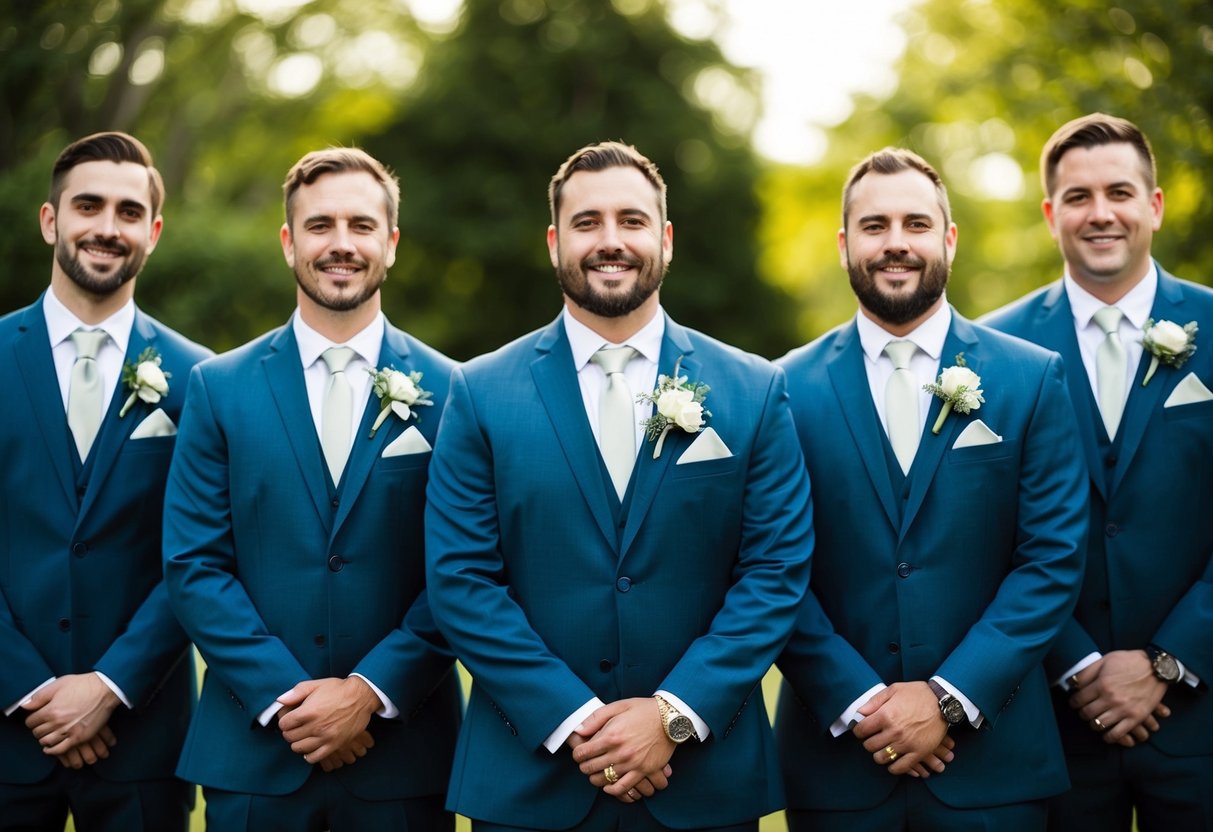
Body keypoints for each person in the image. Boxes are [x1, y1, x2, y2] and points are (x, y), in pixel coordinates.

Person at [423, 141, 814, 832]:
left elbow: (774, 572)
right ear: (554, 242)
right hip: (527, 781)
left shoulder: (752, 389)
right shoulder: (479, 391)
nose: (610, 241)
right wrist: (575, 723)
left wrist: (673, 714)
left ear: (664, 240)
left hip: (703, 782)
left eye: (631, 221)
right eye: (586, 222)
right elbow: (461, 581)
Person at [774, 147, 1088, 830]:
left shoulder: (1031, 379)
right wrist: (861, 703)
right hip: (838, 771)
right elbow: (770, 569)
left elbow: (1051, 560)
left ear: (947, 239)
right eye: (874, 225)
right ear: (843, 244)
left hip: (995, 764)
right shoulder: (781, 389)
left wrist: (948, 697)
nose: (895, 244)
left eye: (916, 225)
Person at [162, 147, 461, 830]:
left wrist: (368, 692)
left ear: (390, 244)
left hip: (405, 758)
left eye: (361, 226)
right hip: (253, 754)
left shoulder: (455, 391)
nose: (341, 244)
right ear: (288, 242)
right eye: (320, 225)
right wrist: (287, 699)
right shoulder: (219, 388)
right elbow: (194, 563)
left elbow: (463, 566)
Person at [983, 113, 1213, 830]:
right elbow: (980, 530)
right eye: (1077, 197)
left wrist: (1170, 660)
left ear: (1154, 204)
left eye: (1118, 191)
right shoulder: (991, 350)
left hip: (1204, 717)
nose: (1100, 213)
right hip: (1051, 722)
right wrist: (1079, 664)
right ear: (1051, 214)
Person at [0, 131, 210, 830]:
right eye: (87, 206)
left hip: (142, 735)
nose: (106, 227)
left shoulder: (204, 380)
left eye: (127, 212)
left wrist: (110, 684)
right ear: (49, 220)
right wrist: (28, 687)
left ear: (151, 232)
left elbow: (201, 553)